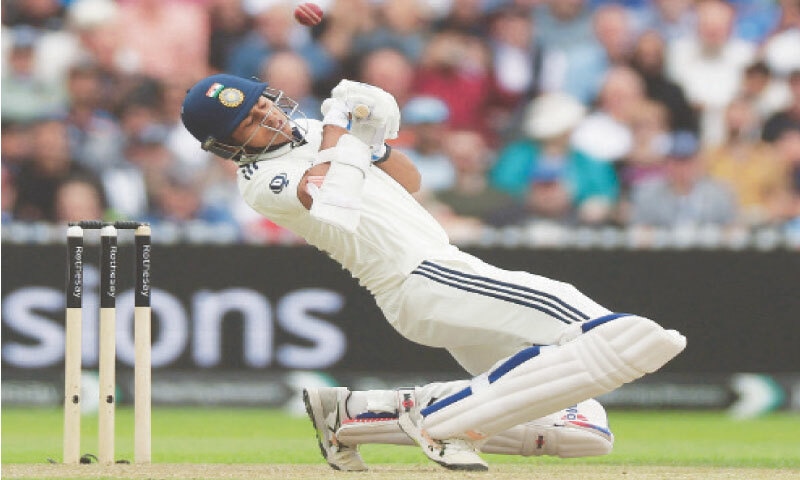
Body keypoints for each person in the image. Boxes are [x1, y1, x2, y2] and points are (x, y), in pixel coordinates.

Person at [180, 73, 686, 471]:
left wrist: (371, 138)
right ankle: (443, 424)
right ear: (228, 146)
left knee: (583, 432)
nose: (267, 116)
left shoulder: (312, 130)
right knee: (613, 331)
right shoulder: (262, 182)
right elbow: (327, 190)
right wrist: (340, 125)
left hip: (449, 270)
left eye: (263, 102)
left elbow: (410, 180)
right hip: (419, 277)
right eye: (249, 120)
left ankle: (360, 413)